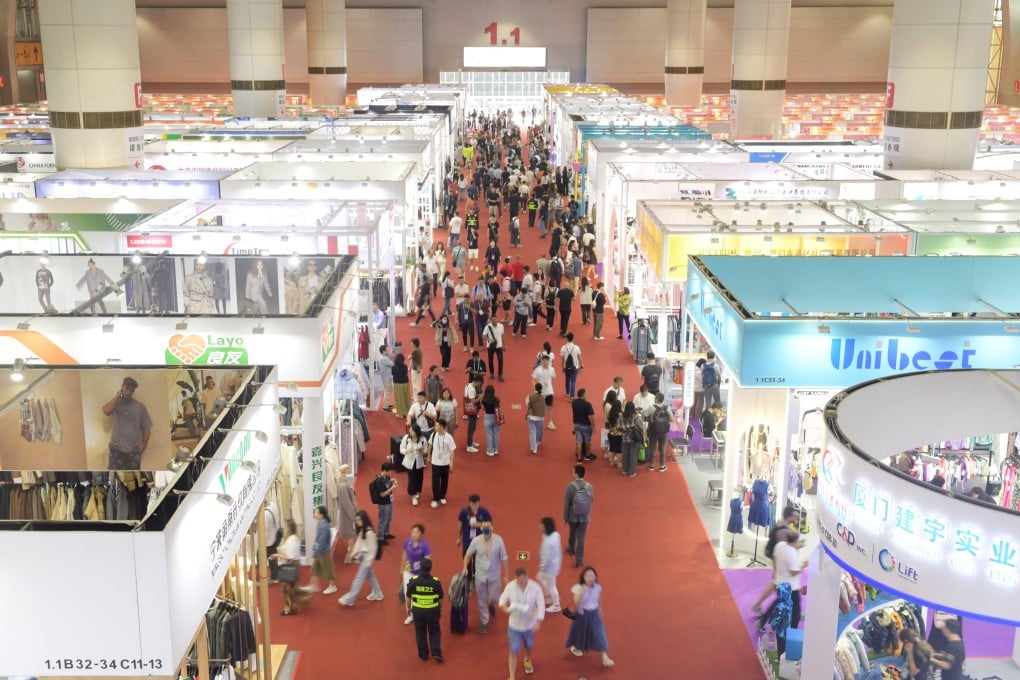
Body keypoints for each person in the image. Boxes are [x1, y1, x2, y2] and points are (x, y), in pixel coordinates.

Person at [462, 518, 509, 634]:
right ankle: (484, 622)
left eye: (489, 526)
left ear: (493, 527)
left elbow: (504, 558)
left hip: (494, 576)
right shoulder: (476, 541)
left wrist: (506, 575)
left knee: (495, 597)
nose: (486, 528)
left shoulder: (499, 540)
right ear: (481, 528)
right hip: (480, 576)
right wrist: (464, 567)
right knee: (481, 599)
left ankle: (491, 604)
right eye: (484, 526)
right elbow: (467, 555)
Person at [751, 506, 802, 614]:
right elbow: (785, 549)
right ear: (790, 516)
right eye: (794, 516)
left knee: (775, 584)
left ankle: (757, 605)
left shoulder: (781, 523)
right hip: (777, 558)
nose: (796, 519)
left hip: (775, 555)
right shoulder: (784, 531)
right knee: (777, 585)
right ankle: (759, 607)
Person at [499, 567, 546, 680]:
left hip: (530, 625)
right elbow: (502, 601)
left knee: (529, 645)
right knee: (514, 649)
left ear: (526, 576)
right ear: (515, 578)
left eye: (523, 579)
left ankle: (527, 659)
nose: (520, 582)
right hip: (514, 625)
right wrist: (505, 609)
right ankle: (512, 676)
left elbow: (541, 604)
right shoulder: (510, 586)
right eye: (518, 580)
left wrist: (538, 622)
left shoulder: (535, 587)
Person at [565, 566, 614, 667]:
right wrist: (583, 590)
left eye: (592, 575)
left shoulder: (597, 586)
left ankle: (605, 657)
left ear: (595, 577)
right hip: (582, 614)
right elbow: (576, 603)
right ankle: (577, 647)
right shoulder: (578, 587)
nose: (590, 578)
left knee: (599, 633)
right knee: (580, 633)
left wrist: (600, 609)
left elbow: (599, 599)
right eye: (587, 575)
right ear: (583, 577)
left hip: (594, 613)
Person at [102, 377, 153, 470]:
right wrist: (117, 396)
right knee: (116, 477)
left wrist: (144, 445)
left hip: (134, 451)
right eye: (127, 388)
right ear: (122, 387)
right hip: (116, 451)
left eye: (131, 390)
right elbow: (106, 411)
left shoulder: (140, 406)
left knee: (134, 479)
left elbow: (147, 427)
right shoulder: (116, 403)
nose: (129, 392)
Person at [337, 510, 385, 606]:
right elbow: (359, 543)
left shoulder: (369, 532)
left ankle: (350, 599)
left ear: (364, 520)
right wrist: (354, 555)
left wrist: (367, 562)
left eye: (359, 520)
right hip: (364, 557)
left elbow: (372, 548)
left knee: (358, 579)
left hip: (367, 558)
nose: (358, 522)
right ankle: (378, 593)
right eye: (356, 520)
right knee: (371, 577)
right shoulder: (362, 530)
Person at [408, 557, 445, 663]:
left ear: (420, 568)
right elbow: (441, 598)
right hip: (432, 611)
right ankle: (436, 652)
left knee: (420, 632)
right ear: (430, 568)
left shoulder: (413, 581)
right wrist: (439, 609)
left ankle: (423, 655)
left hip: (418, 611)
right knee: (434, 631)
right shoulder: (436, 582)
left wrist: (408, 609)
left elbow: (408, 596)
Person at [272, 519, 308, 616]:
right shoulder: (293, 538)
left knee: (287, 590)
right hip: (292, 566)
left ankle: (289, 608)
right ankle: (298, 601)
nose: (284, 528)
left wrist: (277, 555)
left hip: (289, 566)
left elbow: (290, 557)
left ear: (289, 528)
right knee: (291, 588)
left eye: (285, 527)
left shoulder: (291, 540)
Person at [301, 505, 338, 594]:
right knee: (315, 569)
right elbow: (319, 539)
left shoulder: (324, 525)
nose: (314, 514)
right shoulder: (321, 523)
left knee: (329, 569)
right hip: (320, 550)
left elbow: (322, 541)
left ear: (321, 515)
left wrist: (316, 551)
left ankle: (333, 586)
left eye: (316, 512)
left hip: (323, 551)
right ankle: (313, 585)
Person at [400, 524, 433, 625]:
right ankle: (410, 615)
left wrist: (425, 574)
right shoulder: (407, 542)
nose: (414, 534)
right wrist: (401, 568)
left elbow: (428, 559)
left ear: (421, 534)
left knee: (418, 594)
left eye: (417, 532)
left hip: (419, 573)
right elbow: (404, 554)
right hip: (408, 570)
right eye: (413, 532)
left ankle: (419, 613)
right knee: (408, 593)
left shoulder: (424, 545)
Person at [563, 465, 594, 568]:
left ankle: (571, 548)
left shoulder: (570, 487)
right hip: (584, 516)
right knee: (581, 538)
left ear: (576, 474)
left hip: (573, 516)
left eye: (573, 472)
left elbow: (567, 503)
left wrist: (565, 517)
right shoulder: (589, 486)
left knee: (572, 532)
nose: (572, 473)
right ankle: (579, 559)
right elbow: (591, 500)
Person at [428, 418, 456, 507]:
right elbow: (430, 446)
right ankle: (436, 498)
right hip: (435, 462)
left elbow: (452, 450)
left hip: (445, 463)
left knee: (444, 480)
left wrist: (451, 462)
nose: (435, 427)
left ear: (442, 427)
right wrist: (429, 456)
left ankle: (443, 495)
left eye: (437, 425)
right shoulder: (433, 435)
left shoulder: (449, 437)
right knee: (435, 481)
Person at [538, 517, 562, 612]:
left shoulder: (548, 541)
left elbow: (547, 557)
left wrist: (542, 567)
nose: (540, 526)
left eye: (542, 524)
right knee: (539, 577)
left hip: (549, 568)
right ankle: (550, 597)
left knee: (551, 585)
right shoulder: (556, 534)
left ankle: (556, 605)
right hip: (555, 564)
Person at [369, 462, 398, 543]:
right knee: (383, 520)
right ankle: (380, 537)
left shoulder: (387, 477)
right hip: (383, 503)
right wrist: (392, 488)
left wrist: (392, 481)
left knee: (389, 518)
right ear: (384, 471)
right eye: (389, 471)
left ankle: (386, 533)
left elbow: (388, 484)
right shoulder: (379, 481)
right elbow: (382, 494)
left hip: (389, 501)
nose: (390, 473)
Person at [646, 393, 672, 472]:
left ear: (657, 399)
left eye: (655, 398)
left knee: (652, 448)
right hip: (664, 432)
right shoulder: (667, 408)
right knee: (662, 449)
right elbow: (672, 419)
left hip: (653, 431)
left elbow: (645, 416)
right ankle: (662, 466)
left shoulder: (652, 408)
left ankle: (651, 465)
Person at [620, 401, 645, 478]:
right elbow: (642, 428)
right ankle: (632, 472)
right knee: (633, 455)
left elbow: (619, 427)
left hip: (625, 438)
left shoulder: (621, 417)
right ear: (634, 408)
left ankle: (625, 470)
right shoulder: (637, 417)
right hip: (635, 439)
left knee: (625, 454)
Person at [531, 354, 557, 431]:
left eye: (547, 361)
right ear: (542, 361)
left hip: (549, 392)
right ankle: (537, 421)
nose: (546, 362)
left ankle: (550, 422)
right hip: (540, 392)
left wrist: (552, 389)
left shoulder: (552, 369)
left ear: (549, 361)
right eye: (544, 361)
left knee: (550, 407)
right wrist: (535, 388)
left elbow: (553, 379)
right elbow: (533, 379)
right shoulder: (538, 369)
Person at [571, 389, 596, 463]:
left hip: (576, 425)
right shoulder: (587, 404)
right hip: (586, 425)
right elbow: (590, 416)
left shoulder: (574, 402)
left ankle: (579, 458)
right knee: (587, 440)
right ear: (584, 395)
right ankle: (587, 455)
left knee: (579, 441)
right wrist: (594, 426)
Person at [481, 384, 503, 456]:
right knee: (496, 433)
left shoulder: (484, 399)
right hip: (496, 417)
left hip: (488, 417)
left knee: (489, 435)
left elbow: (483, 409)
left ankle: (490, 451)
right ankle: (496, 449)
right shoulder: (496, 399)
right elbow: (499, 407)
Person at [525, 381, 546, 455]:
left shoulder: (530, 396)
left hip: (531, 416)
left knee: (532, 432)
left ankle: (534, 449)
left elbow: (527, 404)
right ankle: (538, 441)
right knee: (539, 431)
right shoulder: (543, 396)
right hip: (540, 417)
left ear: (535, 388)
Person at [560, 332, 583, 399]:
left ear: (566, 339)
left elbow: (562, 359)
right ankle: (572, 396)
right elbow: (579, 357)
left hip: (567, 367)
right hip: (575, 367)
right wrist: (582, 364)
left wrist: (563, 367)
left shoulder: (563, 348)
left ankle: (567, 392)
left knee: (567, 379)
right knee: (573, 381)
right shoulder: (576, 347)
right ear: (573, 338)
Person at [482, 315, 505, 382]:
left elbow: (502, 335)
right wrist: (489, 339)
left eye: (495, 319)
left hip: (499, 346)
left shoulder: (501, 326)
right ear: (491, 320)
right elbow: (483, 336)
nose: (494, 321)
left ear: (497, 319)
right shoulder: (487, 327)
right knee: (490, 361)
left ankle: (500, 374)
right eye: (493, 319)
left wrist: (504, 345)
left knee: (500, 361)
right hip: (490, 346)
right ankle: (492, 373)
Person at [464, 374, 483, 453]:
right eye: (480, 383)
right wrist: (480, 397)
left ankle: (471, 442)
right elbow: (473, 401)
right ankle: (469, 446)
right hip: (471, 410)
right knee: (471, 428)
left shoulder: (468, 385)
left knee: (472, 427)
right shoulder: (472, 389)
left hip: (470, 409)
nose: (480, 385)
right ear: (478, 382)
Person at [376, 346, 395, 412]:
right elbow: (392, 364)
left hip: (386, 377)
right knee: (388, 391)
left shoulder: (384, 357)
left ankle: (387, 404)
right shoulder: (384, 359)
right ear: (383, 351)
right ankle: (385, 407)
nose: (388, 351)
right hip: (387, 377)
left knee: (388, 390)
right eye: (387, 350)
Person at [392, 353, 412, 418]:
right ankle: (408, 412)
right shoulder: (405, 366)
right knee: (406, 397)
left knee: (399, 399)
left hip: (397, 384)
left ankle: (400, 413)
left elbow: (393, 373)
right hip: (405, 384)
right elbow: (405, 372)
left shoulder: (394, 367)